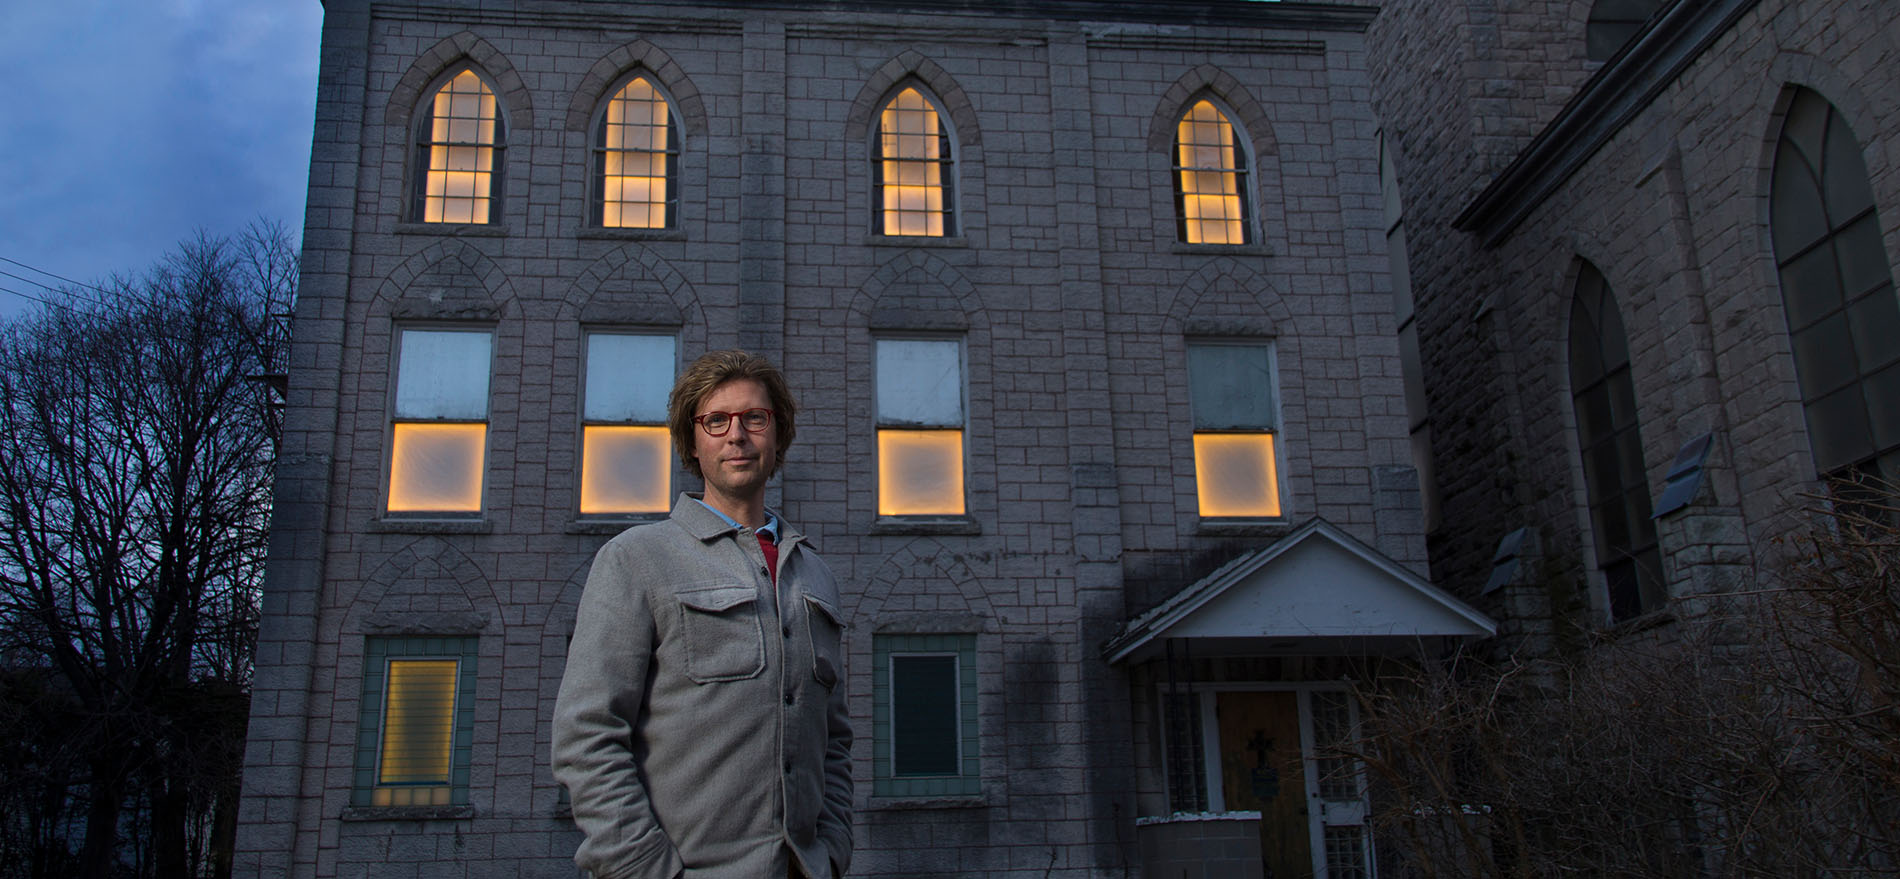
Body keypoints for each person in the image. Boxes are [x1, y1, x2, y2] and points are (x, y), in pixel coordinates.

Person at [554, 350, 852, 879]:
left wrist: (831, 852)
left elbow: (834, 741)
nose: (736, 435)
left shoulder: (815, 576)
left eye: (754, 418)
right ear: (692, 442)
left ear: (777, 435)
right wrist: (647, 869)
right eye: (716, 420)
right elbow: (587, 735)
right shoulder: (636, 559)